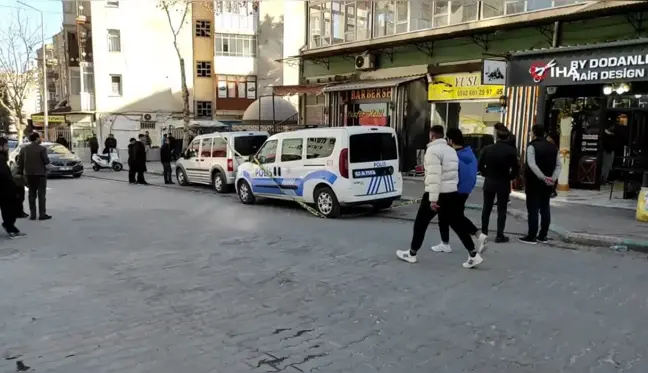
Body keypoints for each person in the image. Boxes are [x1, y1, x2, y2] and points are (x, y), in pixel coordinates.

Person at [397, 125, 484, 269]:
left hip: (437, 193)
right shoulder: (451, 150)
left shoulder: (432, 151)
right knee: (456, 223)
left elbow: (434, 177)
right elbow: (454, 173)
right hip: (451, 192)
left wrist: (433, 199)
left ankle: (412, 253)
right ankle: (473, 254)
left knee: (421, 223)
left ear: (431, 136)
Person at [431, 128, 488, 253]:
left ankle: (476, 237)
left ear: (450, 140)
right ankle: (447, 242)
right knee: (452, 215)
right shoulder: (469, 153)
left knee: (453, 217)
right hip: (466, 190)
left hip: (453, 189)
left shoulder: (454, 155)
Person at [519, 125, 561, 244]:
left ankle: (531, 235)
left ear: (533, 133)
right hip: (548, 183)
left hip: (534, 181)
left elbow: (531, 165)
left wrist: (542, 177)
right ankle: (543, 235)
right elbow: (559, 165)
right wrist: (552, 178)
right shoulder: (553, 147)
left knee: (533, 209)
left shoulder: (532, 146)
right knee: (545, 208)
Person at [479, 128, 520, 243]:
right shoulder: (510, 151)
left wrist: (485, 173)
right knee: (502, 210)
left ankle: (484, 233)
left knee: (486, 208)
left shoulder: (487, 149)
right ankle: (499, 235)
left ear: (496, 137)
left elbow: (480, 164)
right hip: (503, 182)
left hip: (489, 181)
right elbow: (516, 167)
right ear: (507, 138)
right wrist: (510, 177)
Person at [17, 132, 51, 221]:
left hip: (28, 175)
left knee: (31, 195)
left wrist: (21, 174)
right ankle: (42, 214)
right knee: (41, 195)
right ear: (36, 139)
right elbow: (46, 162)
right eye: (40, 138)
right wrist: (47, 171)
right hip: (40, 175)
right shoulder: (42, 149)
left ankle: (33, 215)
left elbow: (20, 163)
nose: (41, 139)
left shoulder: (24, 149)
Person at [0, 137, 25, 238]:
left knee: (8, 209)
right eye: (6, 146)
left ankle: (10, 227)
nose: (7, 148)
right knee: (10, 208)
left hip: (4, 188)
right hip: (4, 188)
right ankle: (10, 227)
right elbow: (4, 175)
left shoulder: (2, 158)